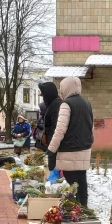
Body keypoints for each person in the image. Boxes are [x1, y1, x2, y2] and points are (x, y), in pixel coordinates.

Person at [47, 76, 93, 206]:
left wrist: (51, 149)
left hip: (70, 149)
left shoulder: (66, 104)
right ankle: (84, 208)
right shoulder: (86, 103)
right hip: (85, 148)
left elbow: (60, 130)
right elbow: (91, 126)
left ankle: (76, 209)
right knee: (81, 181)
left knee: (72, 182)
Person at [38, 82, 62, 172]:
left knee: (53, 168)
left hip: (54, 144)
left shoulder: (56, 104)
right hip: (52, 143)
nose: (41, 96)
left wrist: (52, 146)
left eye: (43, 94)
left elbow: (56, 126)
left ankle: (53, 183)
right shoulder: (53, 104)